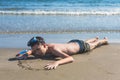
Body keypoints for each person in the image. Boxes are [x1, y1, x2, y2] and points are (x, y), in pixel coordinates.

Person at [16, 36, 108, 70]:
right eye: (35, 50)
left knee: (93, 45)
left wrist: (57, 62)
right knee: (85, 41)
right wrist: (26, 54)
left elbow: (71, 58)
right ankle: (94, 37)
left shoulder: (54, 49)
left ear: (44, 45)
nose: (36, 53)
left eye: (38, 49)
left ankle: (102, 40)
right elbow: (31, 51)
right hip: (72, 43)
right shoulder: (41, 49)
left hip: (81, 47)